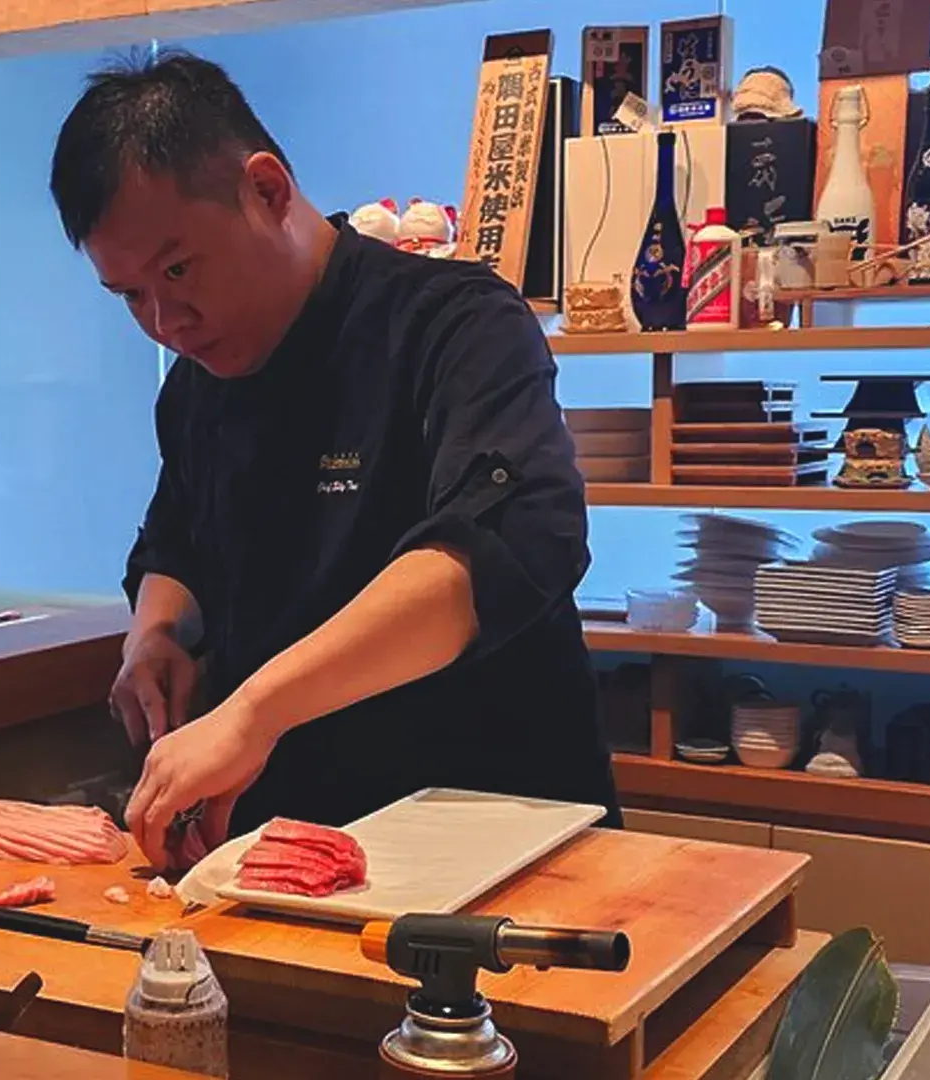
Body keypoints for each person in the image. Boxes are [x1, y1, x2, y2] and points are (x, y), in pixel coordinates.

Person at [48, 49, 621, 870]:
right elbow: (175, 542)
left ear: (268, 191)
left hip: (497, 840)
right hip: (287, 851)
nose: (165, 320)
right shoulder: (197, 385)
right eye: (131, 295)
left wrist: (251, 714)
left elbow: (506, 544)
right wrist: (155, 638)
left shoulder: (452, 323)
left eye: (177, 269)